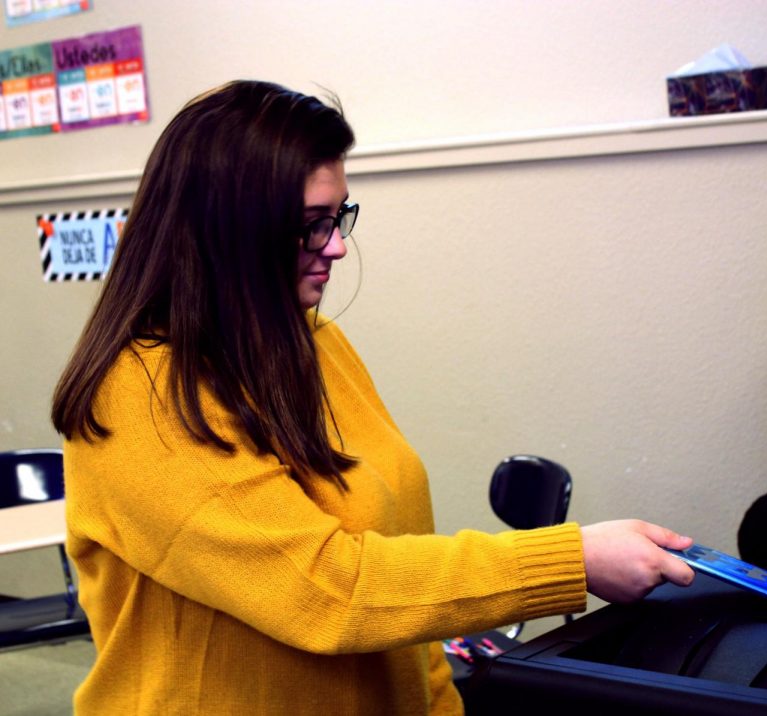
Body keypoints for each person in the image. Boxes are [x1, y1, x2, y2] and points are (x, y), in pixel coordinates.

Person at [51, 80, 694, 716]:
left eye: (338, 217)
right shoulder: (140, 394)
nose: (336, 246)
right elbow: (329, 590)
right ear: (226, 231)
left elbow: (398, 582)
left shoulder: (309, 340)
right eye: (310, 226)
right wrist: (569, 559)